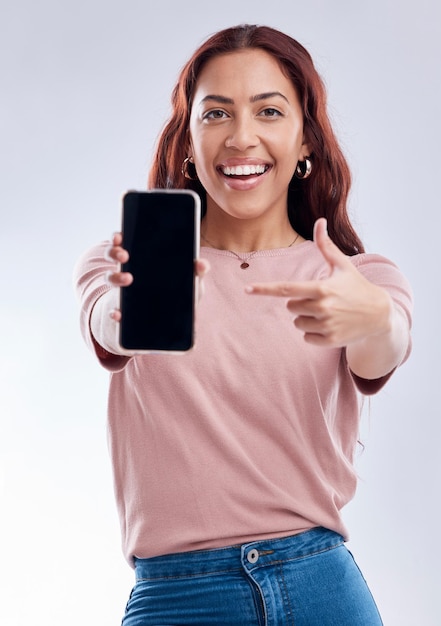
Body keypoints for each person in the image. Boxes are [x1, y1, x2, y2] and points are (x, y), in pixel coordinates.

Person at [74, 24, 413, 626]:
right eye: (216, 114)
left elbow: (381, 348)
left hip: (321, 585)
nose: (242, 137)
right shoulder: (125, 262)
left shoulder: (359, 276)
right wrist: (127, 312)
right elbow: (108, 322)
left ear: (305, 140)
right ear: (189, 140)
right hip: (178, 595)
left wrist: (376, 320)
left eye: (269, 111)